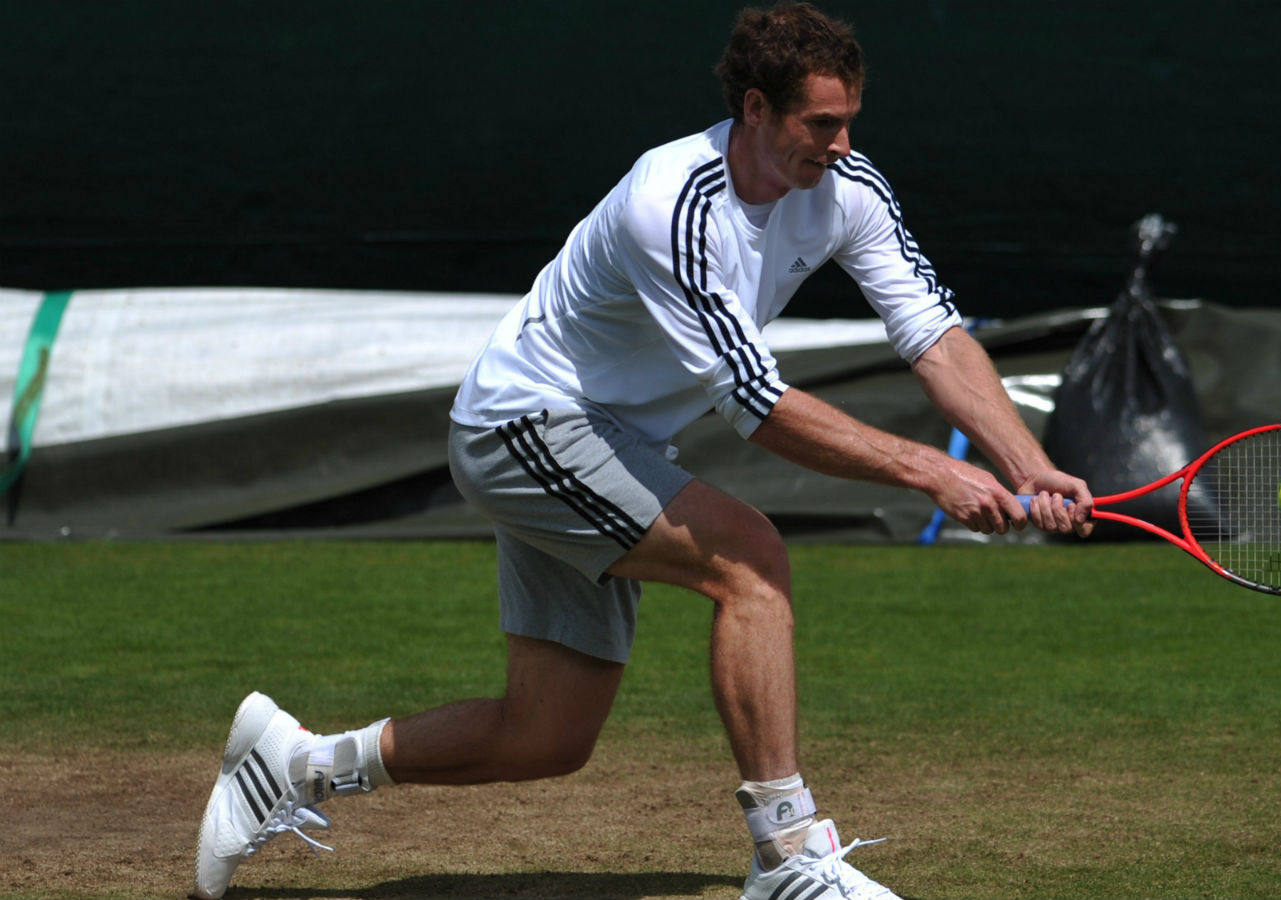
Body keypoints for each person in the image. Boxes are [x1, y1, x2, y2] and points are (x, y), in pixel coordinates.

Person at [191, 4, 1093, 899]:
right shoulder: (672, 201)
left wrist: (1024, 461)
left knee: (547, 737)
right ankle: (786, 856)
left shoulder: (851, 190)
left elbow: (932, 334)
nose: (841, 142)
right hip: (525, 425)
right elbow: (758, 406)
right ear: (755, 110)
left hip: (605, 442)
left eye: (850, 119)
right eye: (821, 123)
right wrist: (933, 469)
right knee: (752, 561)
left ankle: (297, 765)